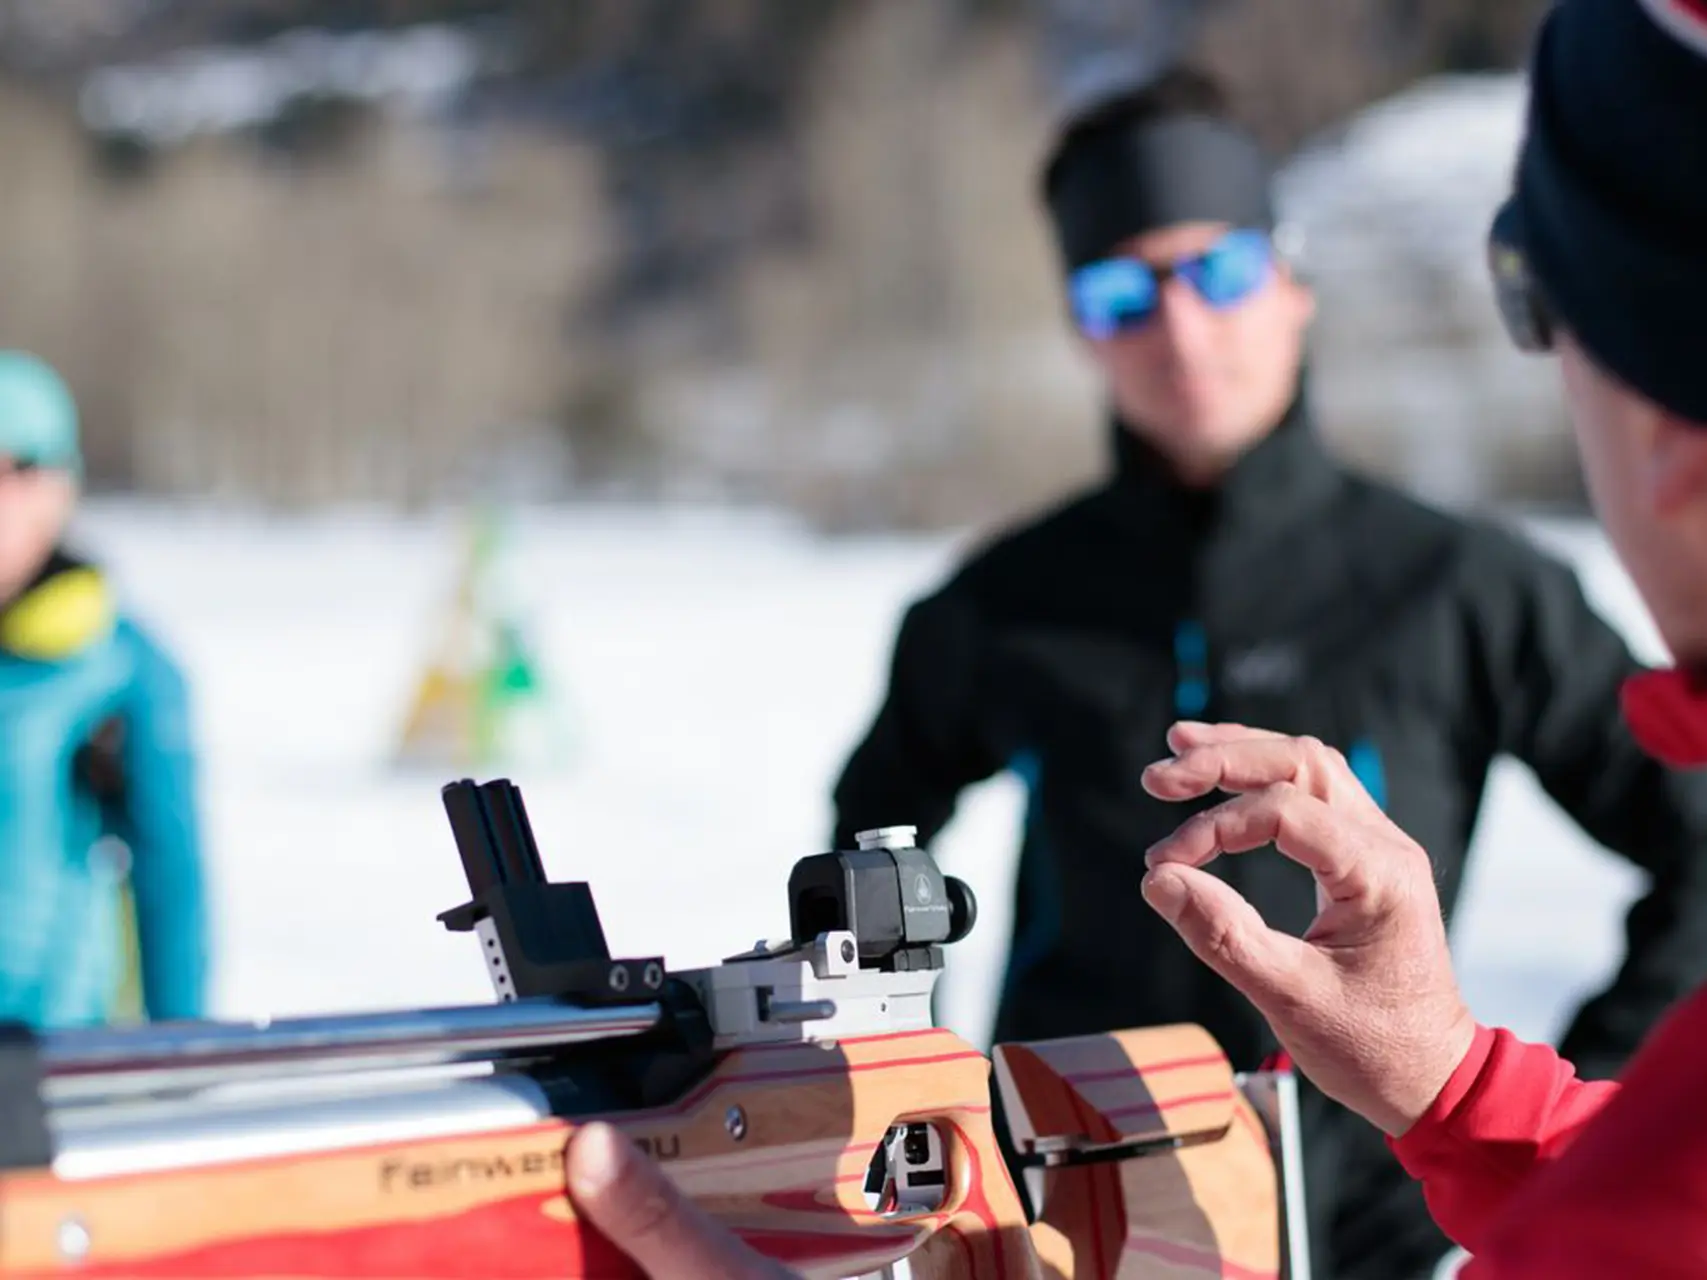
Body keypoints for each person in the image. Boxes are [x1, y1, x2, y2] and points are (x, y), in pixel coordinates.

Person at [562, 0, 1707, 1274]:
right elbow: (868, 844)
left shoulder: (1470, 588)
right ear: (1081, 331)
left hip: (1393, 1224)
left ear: (1291, 281)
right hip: (1065, 1223)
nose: (1181, 328)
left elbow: (1700, 839)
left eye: (1218, 272)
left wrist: (1603, 1119)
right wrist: (915, 1104)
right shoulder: (1003, 600)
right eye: (1124, 292)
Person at [0, 350, 209, 1028]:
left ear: (61, 486)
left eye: (16, 470)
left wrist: (183, 1060)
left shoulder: (122, 665)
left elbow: (170, 879)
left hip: (48, 1062)